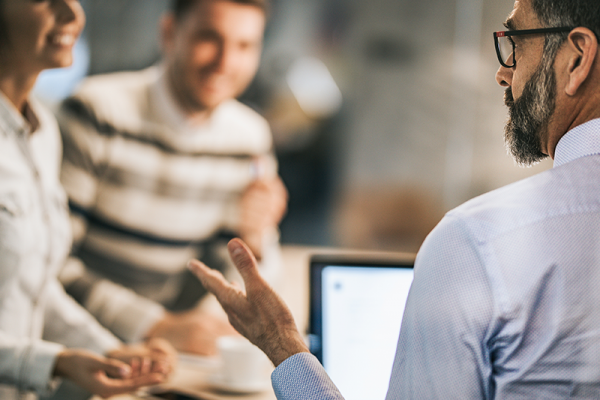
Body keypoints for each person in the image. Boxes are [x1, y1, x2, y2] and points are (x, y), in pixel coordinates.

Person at [189, 0, 600, 397]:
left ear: (578, 58)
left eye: (516, 44)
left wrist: (284, 348)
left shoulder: (476, 242)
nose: (502, 73)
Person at [55, 0, 287, 356]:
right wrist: (154, 326)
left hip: (175, 356)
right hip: (82, 348)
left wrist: (255, 240)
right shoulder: (95, 113)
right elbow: (50, 266)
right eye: (209, 38)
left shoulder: (250, 137)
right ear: (169, 33)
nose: (225, 63)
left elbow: (244, 268)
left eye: (244, 46)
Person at [0, 0, 177, 399]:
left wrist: (110, 351)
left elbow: (31, 289)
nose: (72, 13)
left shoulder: (42, 130)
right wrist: (55, 362)